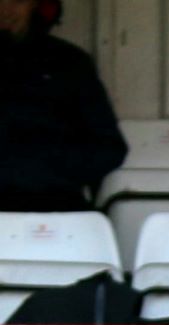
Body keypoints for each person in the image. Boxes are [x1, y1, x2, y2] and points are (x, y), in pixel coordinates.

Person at [0, 0, 128, 211]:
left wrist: (44, 170)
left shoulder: (70, 62)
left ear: (34, 4)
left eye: (17, 1)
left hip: (56, 207)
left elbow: (109, 147)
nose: (5, 10)